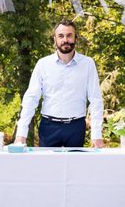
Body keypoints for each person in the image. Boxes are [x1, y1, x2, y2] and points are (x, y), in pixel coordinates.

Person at [14, 19, 104, 148]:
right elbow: (31, 98)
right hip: (48, 128)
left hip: (76, 127)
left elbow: (95, 99)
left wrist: (96, 134)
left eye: (69, 35)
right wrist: (21, 133)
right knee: (47, 168)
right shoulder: (43, 64)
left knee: (76, 167)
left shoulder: (88, 64)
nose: (65, 40)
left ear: (76, 38)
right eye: (61, 36)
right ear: (55, 39)